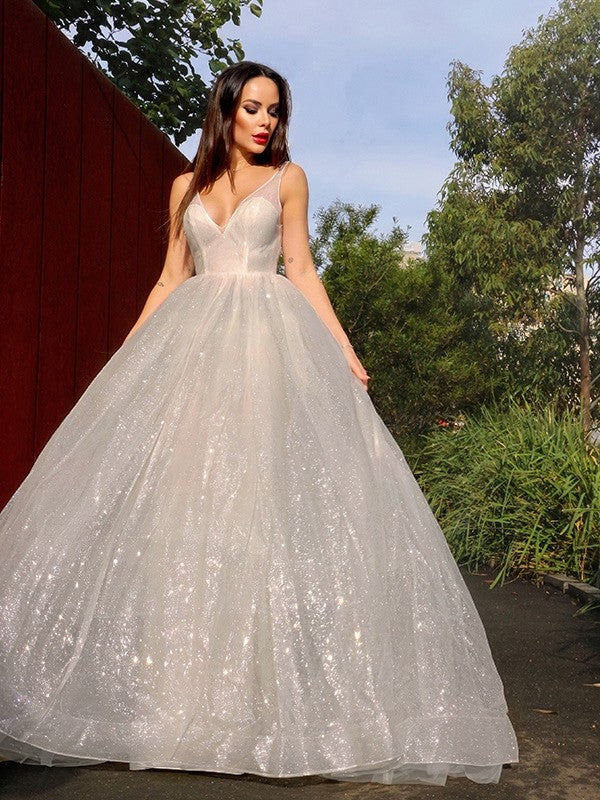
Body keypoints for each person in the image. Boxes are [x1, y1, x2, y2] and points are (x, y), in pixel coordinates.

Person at [0, 61, 518, 785]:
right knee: (185, 511)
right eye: (252, 108)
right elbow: (170, 278)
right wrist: (127, 357)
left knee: (257, 514)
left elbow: (299, 268)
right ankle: (176, 703)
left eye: (275, 110)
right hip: (192, 355)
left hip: (266, 354)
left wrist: (345, 350)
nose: (266, 121)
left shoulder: (289, 179)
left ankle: (257, 709)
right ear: (226, 111)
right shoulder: (184, 188)